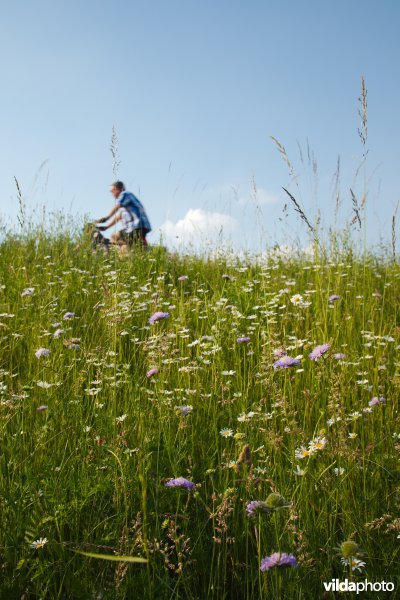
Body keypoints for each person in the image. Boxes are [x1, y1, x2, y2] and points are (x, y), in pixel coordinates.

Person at [96, 181, 151, 247]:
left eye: (112, 190)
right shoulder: (125, 205)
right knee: (116, 238)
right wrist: (106, 227)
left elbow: (117, 206)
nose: (112, 193)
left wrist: (106, 218)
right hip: (135, 227)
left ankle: (120, 253)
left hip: (136, 226)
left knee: (119, 241)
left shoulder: (125, 194)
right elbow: (118, 217)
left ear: (118, 189)